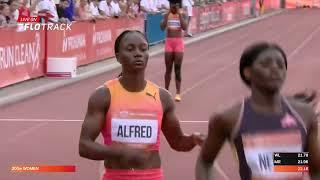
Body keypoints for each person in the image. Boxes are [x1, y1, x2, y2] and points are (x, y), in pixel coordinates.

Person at [79, 30, 204, 180]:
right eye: (130, 49)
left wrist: (194, 139)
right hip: (116, 176)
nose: (138, 53)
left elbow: (177, 142)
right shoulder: (103, 96)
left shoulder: (162, 97)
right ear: (118, 57)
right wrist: (120, 153)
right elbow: (84, 146)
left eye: (143, 49)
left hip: (152, 176)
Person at [195, 42, 320, 180]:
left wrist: (285, 160)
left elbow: (314, 168)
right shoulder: (229, 118)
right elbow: (205, 162)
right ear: (247, 72)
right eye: (266, 64)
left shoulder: (304, 114)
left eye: (280, 64)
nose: (275, 69)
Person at [160, 0, 188, 102]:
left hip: (178, 44)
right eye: (172, 4)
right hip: (169, 43)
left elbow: (185, 27)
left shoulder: (183, 13)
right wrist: (167, 14)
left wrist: (179, 14)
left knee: (177, 68)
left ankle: (178, 93)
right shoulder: (167, 14)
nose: (174, 6)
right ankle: (166, 92)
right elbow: (162, 27)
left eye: (175, 4)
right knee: (168, 69)